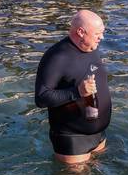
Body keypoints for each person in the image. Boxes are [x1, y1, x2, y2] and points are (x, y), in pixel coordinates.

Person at [35, 10, 112, 164]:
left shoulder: (92, 48)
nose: (101, 37)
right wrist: (76, 92)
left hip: (99, 134)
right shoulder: (57, 57)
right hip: (72, 137)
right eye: (97, 33)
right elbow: (41, 98)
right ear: (81, 32)